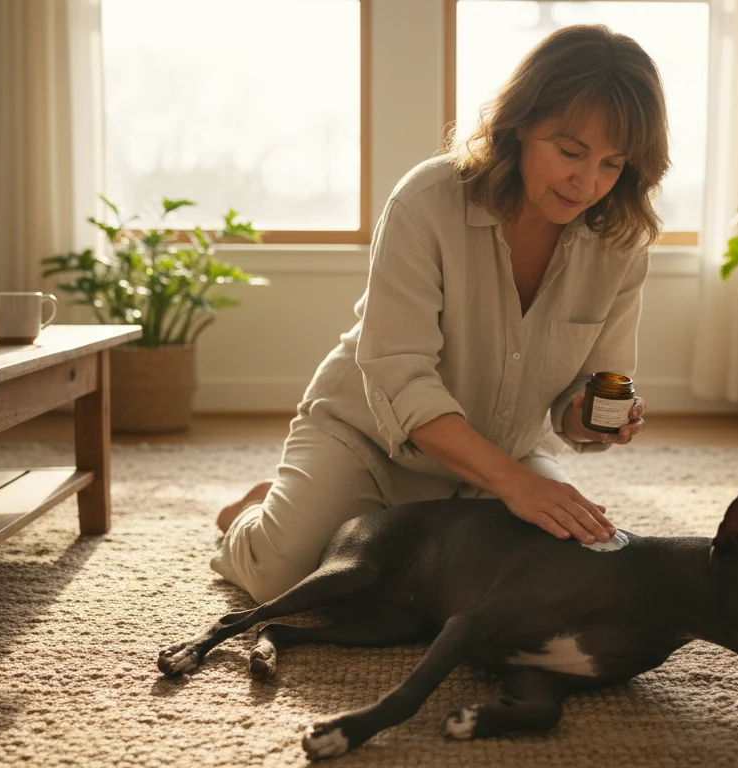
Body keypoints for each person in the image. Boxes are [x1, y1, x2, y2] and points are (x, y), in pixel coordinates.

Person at [211, 24, 670, 604]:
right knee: (284, 579)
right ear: (522, 124)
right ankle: (255, 515)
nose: (587, 182)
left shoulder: (620, 240)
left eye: (612, 164)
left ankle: (352, 526)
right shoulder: (426, 202)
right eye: (571, 151)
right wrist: (517, 486)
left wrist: (595, 417)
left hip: (506, 456)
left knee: (551, 586)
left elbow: (584, 391)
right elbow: (401, 374)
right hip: (369, 440)